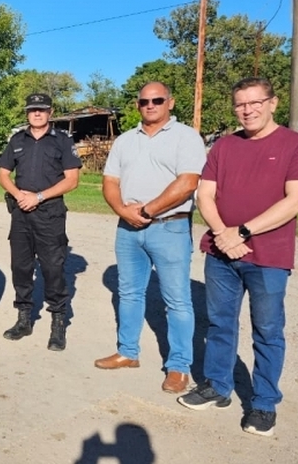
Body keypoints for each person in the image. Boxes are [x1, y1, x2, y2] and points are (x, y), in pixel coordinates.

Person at [178, 77, 298, 437]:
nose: (248, 110)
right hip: (221, 254)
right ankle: (217, 386)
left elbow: (296, 201)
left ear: (273, 103)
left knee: (268, 330)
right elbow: (204, 195)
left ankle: (263, 403)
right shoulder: (225, 146)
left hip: (269, 256)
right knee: (220, 323)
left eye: (255, 102)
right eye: (241, 104)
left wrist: (241, 232)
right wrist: (223, 234)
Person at [93, 82, 206, 394]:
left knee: (177, 300)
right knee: (129, 293)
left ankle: (179, 367)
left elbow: (188, 183)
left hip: (169, 227)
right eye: (144, 101)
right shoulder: (125, 140)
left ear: (171, 102)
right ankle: (128, 352)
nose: (150, 105)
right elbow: (110, 181)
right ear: (137, 105)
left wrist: (147, 210)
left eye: (157, 100)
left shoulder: (186, 137)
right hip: (128, 227)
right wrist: (122, 210)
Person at [0, 93, 81, 349]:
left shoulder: (62, 140)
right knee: (21, 267)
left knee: (53, 269)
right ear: (27, 112)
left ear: (50, 112)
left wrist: (39, 197)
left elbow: (72, 180)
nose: (37, 113)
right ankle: (24, 319)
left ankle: (58, 323)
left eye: (42, 110)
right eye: (32, 109)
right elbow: (3, 174)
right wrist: (18, 195)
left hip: (49, 214)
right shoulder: (17, 140)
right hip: (21, 214)